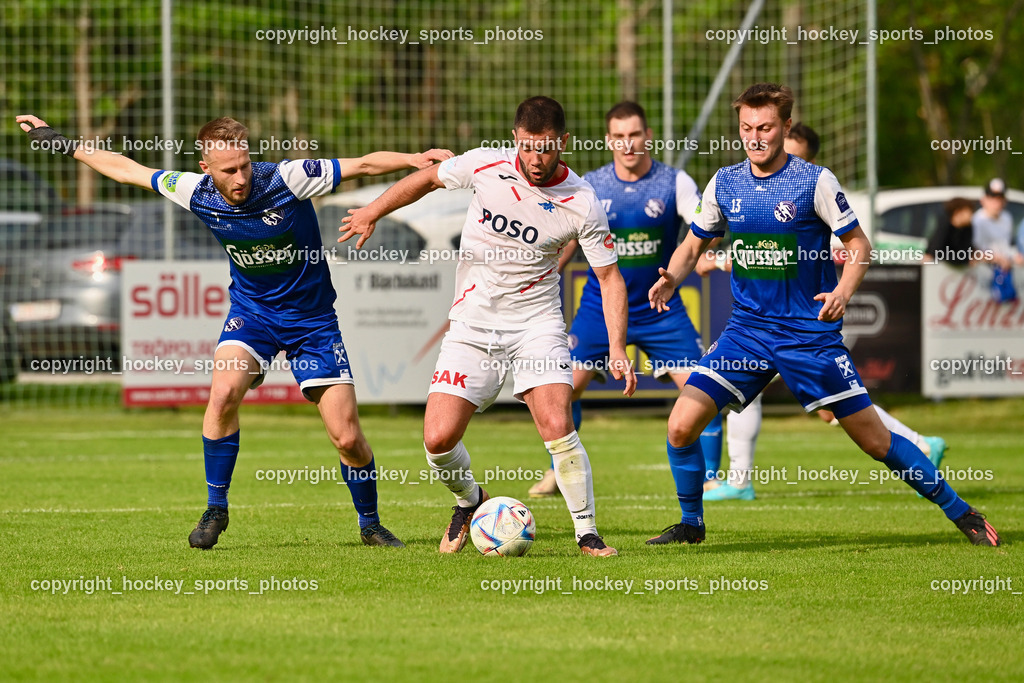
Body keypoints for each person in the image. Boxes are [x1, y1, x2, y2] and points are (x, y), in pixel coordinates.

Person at [17, 113, 453, 549]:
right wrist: (58, 142)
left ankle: (370, 523)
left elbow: (362, 165)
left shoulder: (288, 179)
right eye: (229, 170)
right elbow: (127, 168)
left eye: (244, 165)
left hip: (312, 322)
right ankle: (216, 508)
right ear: (206, 168)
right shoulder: (195, 191)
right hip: (253, 315)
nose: (240, 176)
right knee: (223, 393)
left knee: (347, 436)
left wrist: (413, 159)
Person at [646, 83, 999, 546]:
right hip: (746, 333)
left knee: (875, 442)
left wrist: (844, 292)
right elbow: (693, 244)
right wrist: (673, 276)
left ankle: (962, 512)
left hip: (806, 336)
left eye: (765, 128)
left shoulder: (814, 180)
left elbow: (859, 246)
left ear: (786, 127)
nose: (755, 137)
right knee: (680, 425)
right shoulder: (724, 183)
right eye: (747, 128)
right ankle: (691, 526)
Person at [341, 96, 637, 557]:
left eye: (547, 148)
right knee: (438, 440)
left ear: (564, 142)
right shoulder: (485, 164)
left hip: (536, 324)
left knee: (557, 423)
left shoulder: (582, 202)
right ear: (515, 137)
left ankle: (587, 533)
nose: (537, 160)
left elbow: (609, 276)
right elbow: (426, 178)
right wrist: (373, 210)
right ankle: (469, 501)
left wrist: (617, 346)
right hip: (472, 326)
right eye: (529, 147)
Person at [695, 122, 949, 502]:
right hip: (756, 327)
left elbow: (785, 257)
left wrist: (716, 263)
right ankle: (739, 480)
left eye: (788, 149)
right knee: (738, 395)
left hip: (804, 326)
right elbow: (760, 254)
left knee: (841, 414)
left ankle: (919, 445)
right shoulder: (745, 185)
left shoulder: (812, 192)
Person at [525, 101, 722, 499]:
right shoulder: (590, 184)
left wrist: (700, 254)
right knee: (561, 390)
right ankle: (557, 472)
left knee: (703, 390)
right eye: (619, 136)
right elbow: (565, 236)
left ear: (647, 136)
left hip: (659, 308)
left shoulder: (674, 182)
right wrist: (547, 271)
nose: (627, 144)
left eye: (634, 135)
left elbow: (706, 226)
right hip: (599, 308)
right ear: (608, 139)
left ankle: (711, 477)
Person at [972, 178, 1021, 303]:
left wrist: (1015, 256)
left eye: (1000, 198)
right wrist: (996, 258)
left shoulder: (1007, 218)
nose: (996, 202)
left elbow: (1006, 246)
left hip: (1004, 273)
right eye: (992, 197)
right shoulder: (977, 220)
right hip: (981, 276)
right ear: (984, 200)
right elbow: (974, 252)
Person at [924, 197, 975, 265]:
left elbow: (966, 252)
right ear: (958, 212)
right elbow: (936, 251)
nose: (971, 214)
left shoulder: (967, 228)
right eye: (969, 211)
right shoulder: (944, 227)